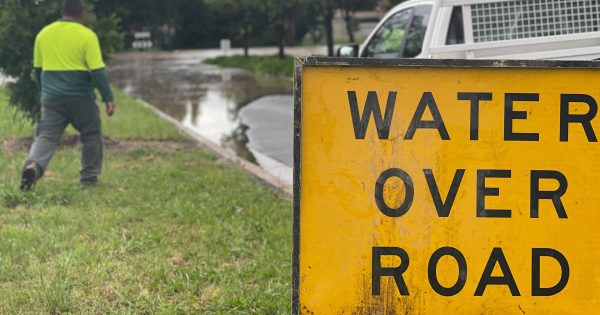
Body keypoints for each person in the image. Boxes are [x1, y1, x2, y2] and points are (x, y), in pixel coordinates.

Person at [20, 0, 116, 191]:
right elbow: (98, 71)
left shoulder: (43, 34)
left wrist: (43, 94)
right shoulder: (87, 35)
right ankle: (88, 179)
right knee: (90, 134)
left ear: (62, 12)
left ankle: (33, 166)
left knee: (46, 136)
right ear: (82, 14)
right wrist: (108, 98)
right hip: (80, 97)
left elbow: (38, 71)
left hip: (51, 97)